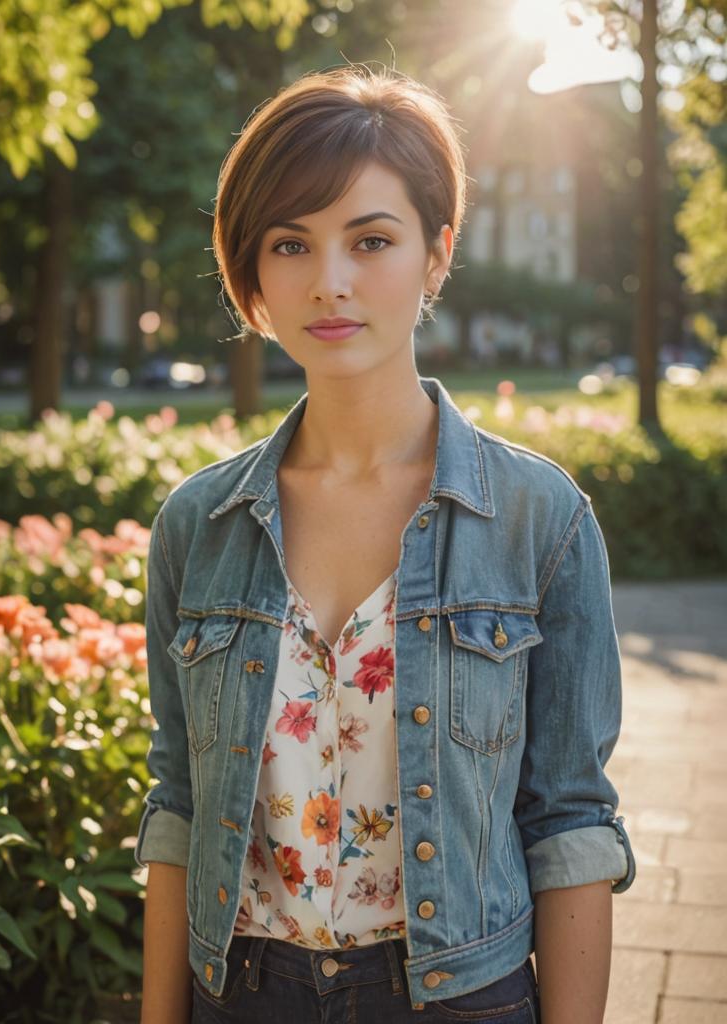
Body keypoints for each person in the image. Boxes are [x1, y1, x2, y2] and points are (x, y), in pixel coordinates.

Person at [135, 63, 636, 1024]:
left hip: (457, 997)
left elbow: (569, 824)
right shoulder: (195, 527)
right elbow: (180, 803)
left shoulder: (541, 520)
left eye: (371, 240)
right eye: (291, 243)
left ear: (437, 253)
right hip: (239, 993)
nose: (330, 283)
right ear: (253, 274)